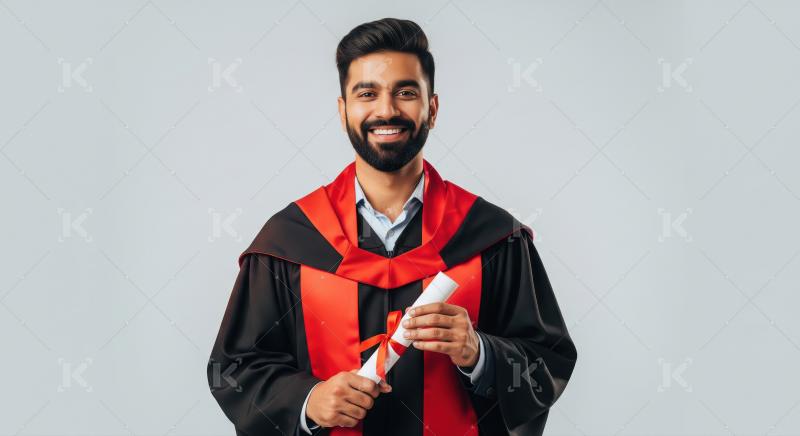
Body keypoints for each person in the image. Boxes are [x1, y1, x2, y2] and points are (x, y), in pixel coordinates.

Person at [207, 17, 577, 436]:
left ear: (431, 109)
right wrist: (309, 400)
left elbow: (549, 362)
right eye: (367, 93)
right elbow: (234, 369)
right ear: (343, 110)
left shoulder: (493, 239)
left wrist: (481, 353)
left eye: (405, 92)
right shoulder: (290, 241)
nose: (386, 110)